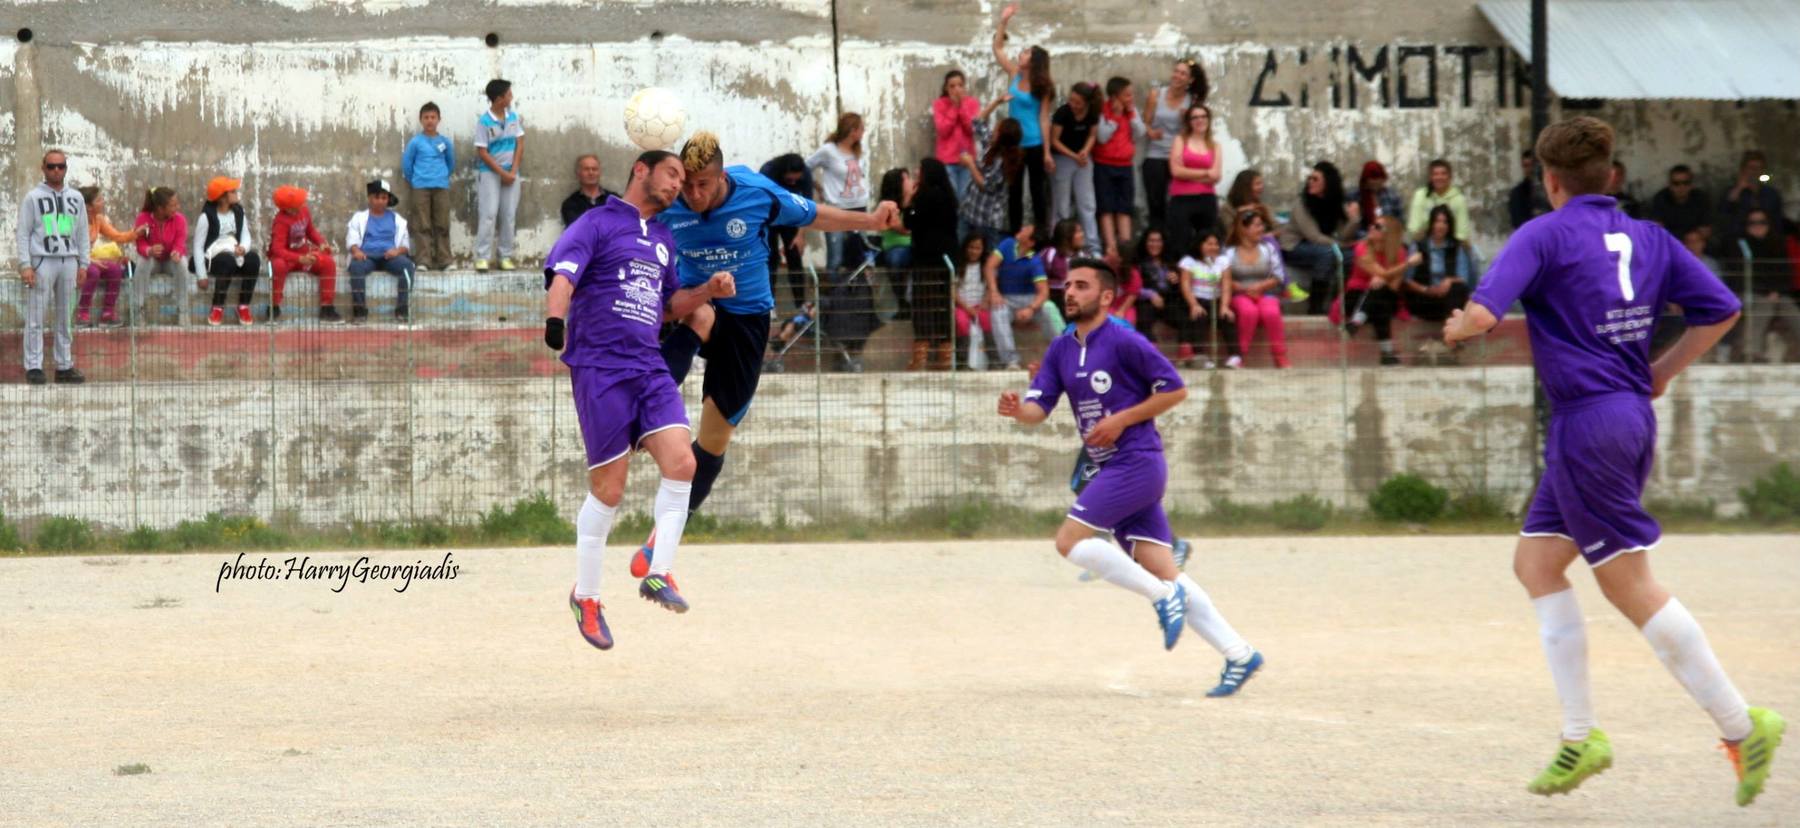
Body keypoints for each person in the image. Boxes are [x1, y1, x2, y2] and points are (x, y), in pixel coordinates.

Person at [1443, 115, 1783, 806]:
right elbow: (1720, 310)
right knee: (1537, 565)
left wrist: (1456, 328)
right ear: (1611, 176)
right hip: (1622, 416)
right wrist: (1662, 371)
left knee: (1629, 584)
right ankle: (1580, 737)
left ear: (1551, 180)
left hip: (1589, 427)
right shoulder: (1650, 236)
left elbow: (1481, 316)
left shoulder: (1543, 233)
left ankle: (1742, 725)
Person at [627, 131, 901, 577]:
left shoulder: (757, 193)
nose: (692, 194)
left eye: (703, 185)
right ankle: (641, 410)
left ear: (721, 177)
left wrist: (871, 221)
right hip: (695, 300)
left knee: (712, 443)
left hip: (747, 321)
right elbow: (627, 217)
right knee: (699, 315)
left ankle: (664, 535)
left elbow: (815, 215)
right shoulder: (671, 201)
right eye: (686, 185)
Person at [998, 258, 1263, 696]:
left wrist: (1122, 419)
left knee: (1069, 541)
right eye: (1069, 285)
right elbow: (1036, 410)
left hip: (1136, 461)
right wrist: (1016, 411)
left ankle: (1162, 598)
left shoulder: (1124, 340)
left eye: (1082, 286)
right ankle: (1239, 653)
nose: (1070, 292)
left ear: (1106, 297)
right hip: (1111, 466)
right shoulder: (1061, 348)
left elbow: (1175, 389)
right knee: (1166, 571)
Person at [548, 149, 732, 650]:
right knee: (609, 490)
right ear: (641, 170)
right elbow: (563, 274)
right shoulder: (597, 221)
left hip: (648, 366)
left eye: (682, 178)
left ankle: (659, 572)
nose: (677, 185)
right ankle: (586, 597)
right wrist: (554, 321)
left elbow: (670, 305)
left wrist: (706, 291)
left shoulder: (665, 239)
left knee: (683, 463)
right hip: (600, 367)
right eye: (671, 174)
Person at [17, 149, 89, 385]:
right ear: (43, 168)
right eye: (51, 166)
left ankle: (64, 365)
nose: (56, 170)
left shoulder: (76, 198)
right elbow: (23, 233)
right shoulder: (33, 198)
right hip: (43, 261)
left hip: (68, 260)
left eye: (60, 166)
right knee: (36, 315)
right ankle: (34, 366)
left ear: (66, 168)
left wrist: (83, 263)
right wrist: (25, 265)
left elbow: (82, 232)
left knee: (65, 316)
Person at [993, 3, 1053, 232]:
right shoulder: (1014, 74)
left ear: (1034, 61)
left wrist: (1047, 152)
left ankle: (1040, 237)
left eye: (1026, 52)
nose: (1021, 54)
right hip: (1013, 143)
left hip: (1035, 143)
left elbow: (1044, 119)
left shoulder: (1043, 86)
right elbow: (998, 48)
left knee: (1038, 193)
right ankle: (1015, 235)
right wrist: (1004, 20)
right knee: (1014, 192)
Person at [1278, 161, 1358, 315]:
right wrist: (1341, 245)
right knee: (1327, 253)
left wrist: (1353, 220)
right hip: (1294, 246)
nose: (1310, 182)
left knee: (1351, 256)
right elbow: (1313, 236)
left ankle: (1338, 304)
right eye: (1310, 178)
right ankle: (1315, 306)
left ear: (1328, 182)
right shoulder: (1302, 203)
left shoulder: (1336, 203)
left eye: (1315, 179)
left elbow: (1342, 235)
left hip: (1321, 246)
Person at [907, 158, 960, 370]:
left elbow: (910, 222)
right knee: (943, 306)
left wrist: (909, 201)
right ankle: (945, 355)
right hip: (946, 260)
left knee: (922, 307)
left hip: (926, 260)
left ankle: (921, 356)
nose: (916, 173)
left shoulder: (924, 196)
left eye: (920, 170)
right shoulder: (949, 197)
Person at [1343, 213, 1418, 364]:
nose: (1371, 227)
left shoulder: (1399, 252)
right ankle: (1387, 353)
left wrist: (1383, 280)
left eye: (1377, 226)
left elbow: (1394, 286)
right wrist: (1407, 264)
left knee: (1379, 295)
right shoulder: (1362, 247)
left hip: (1384, 296)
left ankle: (1356, 322)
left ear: (1389, 233)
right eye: (1372, 224)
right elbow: (1382, 273)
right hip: (1356, 295)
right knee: (1379, 303)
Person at [1727, 208, 1800, 363]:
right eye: (1752, 223)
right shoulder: (1739, 245)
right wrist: (1768, 291)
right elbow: (1741, 275)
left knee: (1792, 310)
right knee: (1763, 306)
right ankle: (1751, 353)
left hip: (1776, 294)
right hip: (1748, 292)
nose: (1758, 226)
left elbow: (1785, 273)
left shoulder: (1777, 244)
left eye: (1762, 222)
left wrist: (1777, 291)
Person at [1141, 58, 1206, 229]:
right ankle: (1157, 237)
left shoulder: (1191, 101)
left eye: (1183, 73)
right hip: (1156, 155)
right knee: (1156, 203)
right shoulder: (1156, 95)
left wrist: (1186, 121)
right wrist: (1150, 132)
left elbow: (1196, 133)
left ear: (1190, 80)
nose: (1177, 76)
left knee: (1181, 202)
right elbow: (1145, 123)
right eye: (1176, 71)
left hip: (1179, 158)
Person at [1220, 208, 1289, 367]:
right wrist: (1244, 289)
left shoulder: (1268, 248)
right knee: (1248, 312)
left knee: (1271, 312)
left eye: (1262, 225)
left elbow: (1278, 276)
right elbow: (1223, 278)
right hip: (1238, 294)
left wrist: (1260, 286)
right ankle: (1240, 355)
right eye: (1257, 225)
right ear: (1243, 229)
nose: (1261, 229)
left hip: (1264, 293)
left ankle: (1280, 356)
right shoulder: (1229, 252)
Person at [986, 222, 1058, 369]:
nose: (1022, 229)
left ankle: (1062, 352)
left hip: (1029, 300)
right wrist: (993, 291)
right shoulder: (1007, 244)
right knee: (997, 312)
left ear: (1031, 242)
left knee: (1047, 309)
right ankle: (1011, 361)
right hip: (1006, 298)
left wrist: (1031, 308)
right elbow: (989, 266)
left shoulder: (1035, 261)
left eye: (1027, 230)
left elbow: (1044, 292)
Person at [807, 113, 871, 277]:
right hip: (836, 209)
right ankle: (835, 290)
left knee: (858, 256)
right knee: (836, 256)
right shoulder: (829, 151)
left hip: (859, 207)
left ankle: (856, 289)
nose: (863, 132)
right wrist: (818, 187)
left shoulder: (858, 151)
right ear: (852, 130)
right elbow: (806, 167)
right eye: (861, 128)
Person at [192, 176, 260, 327]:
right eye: (233, 191)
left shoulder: (238, 212)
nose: (236, 193)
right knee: (227, 261)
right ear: (222, 197)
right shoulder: (206, 216)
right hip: (215, 257)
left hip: (234, 252)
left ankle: (243, 306)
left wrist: (243, 248)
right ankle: (217, 307)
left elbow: (245, 235)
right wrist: (202, 275)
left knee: (254, 259)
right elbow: (198, 246)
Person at [267, 185, 342, 323]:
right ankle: (274, 307)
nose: (301, 206)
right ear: (286, 208)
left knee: (328, 263)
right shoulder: (280, 222)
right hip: (288, 260)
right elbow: (277, 249)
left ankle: (327, 307)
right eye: (296, 205)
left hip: (304, 257)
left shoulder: (304, 210)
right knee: (278, 265)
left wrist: (321, 243)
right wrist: (299, 258)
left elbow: (310, 231)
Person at [344, 180, 415, 323]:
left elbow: (405, 245)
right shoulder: (359, 217)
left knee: (407, 266)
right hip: (366, 257)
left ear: (388, 199)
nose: (380, 201)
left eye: (384, 198)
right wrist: (356, 251)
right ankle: (359, 312)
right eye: (377, 197)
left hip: (389, 257)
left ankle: (402, 311)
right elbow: (352, 238)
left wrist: (397, 251)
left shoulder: (398, 219)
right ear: (370, 198)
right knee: (356, 267)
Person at [473, 78, 524, 272]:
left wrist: (513, 171)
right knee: (488, 214)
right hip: (490, 174)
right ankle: (482, 257)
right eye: (508, 94)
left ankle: (505, 256)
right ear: (499, 98)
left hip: (511, 173)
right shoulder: (484, 121)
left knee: (509, 215)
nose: (511, 97)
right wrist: (502, 172)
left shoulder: (513, 117)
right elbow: (482, 152)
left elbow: (520, 143)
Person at [1093, 76, 1144, 261]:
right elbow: (1102, 137)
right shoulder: (1102, 110)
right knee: (1106, 207)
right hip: (1104, 164)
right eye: (1127, 95)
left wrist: (1132, 116)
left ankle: (1125, 247)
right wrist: (1114, 117)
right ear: (1115, 96)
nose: (1131, 98)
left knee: (1124, 208)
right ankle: (1111, 248)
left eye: (1131, 94)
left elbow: (1140, 132)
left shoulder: (1132, 111)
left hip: (1125, 165)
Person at [74, 185, 140, 327]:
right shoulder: (72, 220)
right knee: (93, 271)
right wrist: (89, 260)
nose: (102, 202)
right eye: (98, 200)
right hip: (74, 260)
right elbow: (66, 245)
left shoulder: (98, 219)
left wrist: (136, 233)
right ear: (88, 206)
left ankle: (108, 313)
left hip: (88, 259)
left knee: (115, 269)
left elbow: (117, 236)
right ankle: (82, 314)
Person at [1130, 226, 1197, 364]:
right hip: (1146, 300)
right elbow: (1133, 286)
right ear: (1145, 242)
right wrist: (1150, 295)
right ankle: (1151, 353)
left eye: (1158, 241)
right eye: (1151, 241)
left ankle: (1185, 353)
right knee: (1143, 317)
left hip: (1168, 300)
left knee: (1184, 316)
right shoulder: (1137, 261)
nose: (1154, 244)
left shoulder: (1170, 260)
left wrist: (1176, 280)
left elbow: (1178, 289)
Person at [400, 101, 454, 271]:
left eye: (433, 117)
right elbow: (407, 165)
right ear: (421, 120)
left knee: (442, 224)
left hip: (441, 186)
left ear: (439, 119)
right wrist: (416, 180)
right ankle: (423, 260)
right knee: (422, 224)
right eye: (426, 117)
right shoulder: (415, 142)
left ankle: (445, 260)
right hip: (420, 187)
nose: (430, 120)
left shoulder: (445, 142)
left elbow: (451, 163)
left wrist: (442, 176)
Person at [1165, 104, 1222, 262]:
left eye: (1203, 116)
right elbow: (1176, 171)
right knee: (1180, 242)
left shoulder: (1215, 145)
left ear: (1208, 119)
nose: (1199, 120)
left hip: (1206, 199)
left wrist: (1187, 173)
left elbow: (1216, 176)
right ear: (1189, 121)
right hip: (1181, 199)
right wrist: (1205, 173)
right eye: (1195, 117)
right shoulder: (1180, 140)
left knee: (1208, 243)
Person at [758, 153, 814, 310]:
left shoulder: (806, 173)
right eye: (790, 180)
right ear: (782, 172)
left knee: (794, 255)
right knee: (771, 258)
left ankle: (800, 303)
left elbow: (808, 206)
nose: (794, 183)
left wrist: (801, 235)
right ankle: (770, 304)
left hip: (791, 217)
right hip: (769, 217)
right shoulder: (768, 171)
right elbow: (759, 200)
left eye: (797, 180)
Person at [1049, 81, 1100, 253]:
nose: (1073, 105)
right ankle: (1060, 245)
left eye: (1078, 102)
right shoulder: (1062, 113)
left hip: (1083, 160)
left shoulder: (1092, 113)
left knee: (1087, 204)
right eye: (1071, 100)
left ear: (1087, 103)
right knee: (1061, 206)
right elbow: (1054, 140)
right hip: (1062, 158)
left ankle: (1092, 246)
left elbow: (1092, 135)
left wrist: (1085, 151)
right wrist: (1074, 156)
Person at [1405, 205, 1474, 329]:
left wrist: (1449, 281)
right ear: (1431, 224)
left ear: (1449, 226)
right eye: (1437, 221)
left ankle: (1451, 331)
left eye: (1445, 222)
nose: (1441, 226)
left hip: (1449, 298)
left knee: (1458, 289)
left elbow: (1464, 278)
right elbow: (1407, 279)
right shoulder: (1419, 246)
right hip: (1425, 298)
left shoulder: (1456, 247)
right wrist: (1427, 290)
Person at [958, 106, 1018, 248]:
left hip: (987, 221)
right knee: (962, 253)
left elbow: (985, 185)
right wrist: (997, 102)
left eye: (997, 130)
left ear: (1002, 137)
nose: (993, 131)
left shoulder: (1003, 162)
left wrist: (970, 164)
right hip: (970, 212)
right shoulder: (991, 146)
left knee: (987, 256)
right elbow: (978, 121)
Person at [1178, 229, 1238, 368]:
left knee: (1227, 317)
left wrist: (1224, 306)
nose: (1213, 247)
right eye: (1209, 244)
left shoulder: (1223, 261)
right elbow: (1185, 284)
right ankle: (1200, 357)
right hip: (1196, 299)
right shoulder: (1189, 261)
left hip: (1216, 299)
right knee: (1199, 317)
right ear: (1200, 244)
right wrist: (1194, 305)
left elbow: (1226, 284)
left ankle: (1235, 356)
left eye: (1216, 244)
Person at [132, 187, 189, 325]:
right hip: (153, 262)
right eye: (173, 205)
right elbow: (140, 244)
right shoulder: (143, 218)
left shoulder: (179, 219)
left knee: (182, 263)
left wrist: (176, 252)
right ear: (160, 208)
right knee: (142, 261)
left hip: (170, 261)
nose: (177, 207)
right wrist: (149, 250)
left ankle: (183, 311)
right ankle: (138, 310)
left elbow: (181, 241)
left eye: (177, 204)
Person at [932, 69, 981, 198]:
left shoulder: (972, 103)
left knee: (965, 198)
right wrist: (954, 107)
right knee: (951, 199)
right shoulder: (939, 104)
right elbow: (943, 130)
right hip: (947, 160)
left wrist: (962, 106)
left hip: (967, 160)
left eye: (960, 85)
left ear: (964, 87)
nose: (956, 89)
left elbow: (972, 128)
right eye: (952, 86)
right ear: (946, 88)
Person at [1717, 150, 1783, 240]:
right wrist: (1739, 188)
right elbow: (1723, 215)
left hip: (1767, 240)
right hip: (1739, 239)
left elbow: (1777, 221)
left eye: (1759, 168)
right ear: (1743, 169)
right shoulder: (1731, 192)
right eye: (1751, 168)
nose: (1755, 172)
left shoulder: (1771, 194)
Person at [952, 235, 994, 370]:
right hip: (962, 305)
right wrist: (966, 307)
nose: (974, 251)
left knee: (987, 320)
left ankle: (993, 359)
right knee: (961, 322)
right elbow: (953, 291)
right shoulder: (958, 267)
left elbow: (990, 287)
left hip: (980, 305)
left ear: (983, 250)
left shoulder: (986, 267)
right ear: (965, 248)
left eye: (978, 248)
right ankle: (962, 362)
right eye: (971, 247)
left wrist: (985, 302)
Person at [1405, 159, 1471, 242]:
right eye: (1435, 174)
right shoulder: (1421, 195)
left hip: (1451, 243)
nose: (1439, 177)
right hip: (1424, 241)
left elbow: (1462, 233)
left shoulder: (1459, 199)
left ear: (1450, 176)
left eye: (1443, 174)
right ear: (1430, 177)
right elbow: (1414, 227)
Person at [1648, 164, 1713, 243]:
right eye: (1676, 183)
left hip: (1692, 243)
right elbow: (1657, 230)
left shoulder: (1700, 198)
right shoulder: (1661, 199)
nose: (1681, 187)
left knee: (1694, 238)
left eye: (1686, 183)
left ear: (1691, 185)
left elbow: (1706, 231)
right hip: (1670, 242)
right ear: (1670, 185)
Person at [1349, 160, 1403, 241]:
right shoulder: (1355, 196)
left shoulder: (1392, 196)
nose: (1376, 182)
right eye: (1372, 179)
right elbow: (1354, 228)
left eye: (1378, 178)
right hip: (1364, 240)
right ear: (1366, 180)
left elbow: (1400, 222)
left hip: (1389, 239)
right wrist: (1371, 236)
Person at [560, 154, 617, 228]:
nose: (591, 173)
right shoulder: (570, 204)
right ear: (578, 174)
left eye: (594, 169)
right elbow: (579, 230)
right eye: (586, 169)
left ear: (599, 173)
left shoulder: (614, 200)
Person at [1509, 151, 1551, 230]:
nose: (1530, 169)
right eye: (1526, 166)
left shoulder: (1550, 188)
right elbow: (1518, 222)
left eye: (1532, 165)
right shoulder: (1518, 193)